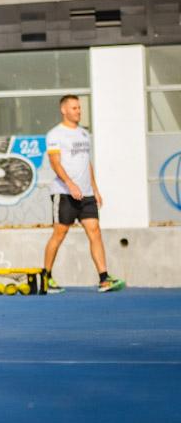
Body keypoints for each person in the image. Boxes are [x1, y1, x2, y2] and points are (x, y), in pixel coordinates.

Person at [41, 95, 125, 294]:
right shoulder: (55, 134)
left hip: (86, 195)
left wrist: (94, 189)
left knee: (95, 230)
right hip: (65, 193)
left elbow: (87, 163)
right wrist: (70, 184)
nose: (78, 111)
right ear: (64, 110)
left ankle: (104, 278)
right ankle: (46, 277)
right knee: (59, 234)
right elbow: (55, 162)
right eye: (74, 108)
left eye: (79, 108)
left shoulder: (84, 134)